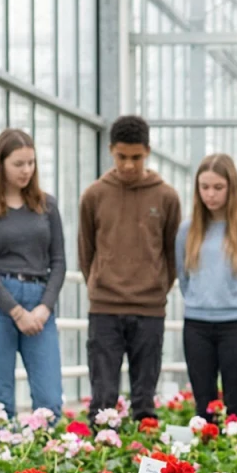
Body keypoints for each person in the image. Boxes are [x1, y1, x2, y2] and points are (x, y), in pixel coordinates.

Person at [79, 115, 182, 422]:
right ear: (111, 150)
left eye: (136, 158)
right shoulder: (95, 195)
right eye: (121, 157)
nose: (128, 165)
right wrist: (100, 283)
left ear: (147, 152)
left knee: (144, 400)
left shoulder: (166, 197)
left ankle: (143, 461)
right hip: (105, 308)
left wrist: (156, 287)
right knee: (103, 400)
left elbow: (171, 252)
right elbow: (87, 251)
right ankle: (100, 462)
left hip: (150, 309)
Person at [0, 128, 65, 416]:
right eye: (18, 164)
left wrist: (44, 308)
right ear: (0, 164)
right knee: (0, 401)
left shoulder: (46, 205)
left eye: (31, 163)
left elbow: (59, 261)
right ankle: (2, 457)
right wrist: (17, 312)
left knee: (49, 401)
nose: (26, 171)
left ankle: (45, 459)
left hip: (40, 305)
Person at [176, 153, 237, 421]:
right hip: (196, 326)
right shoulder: (188, 230)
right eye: (204, 187)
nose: (210, 195)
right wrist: (201, 302)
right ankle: (205, 461)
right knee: (203, 406)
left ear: (232, 187)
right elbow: (183, 278)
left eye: (218, 187)